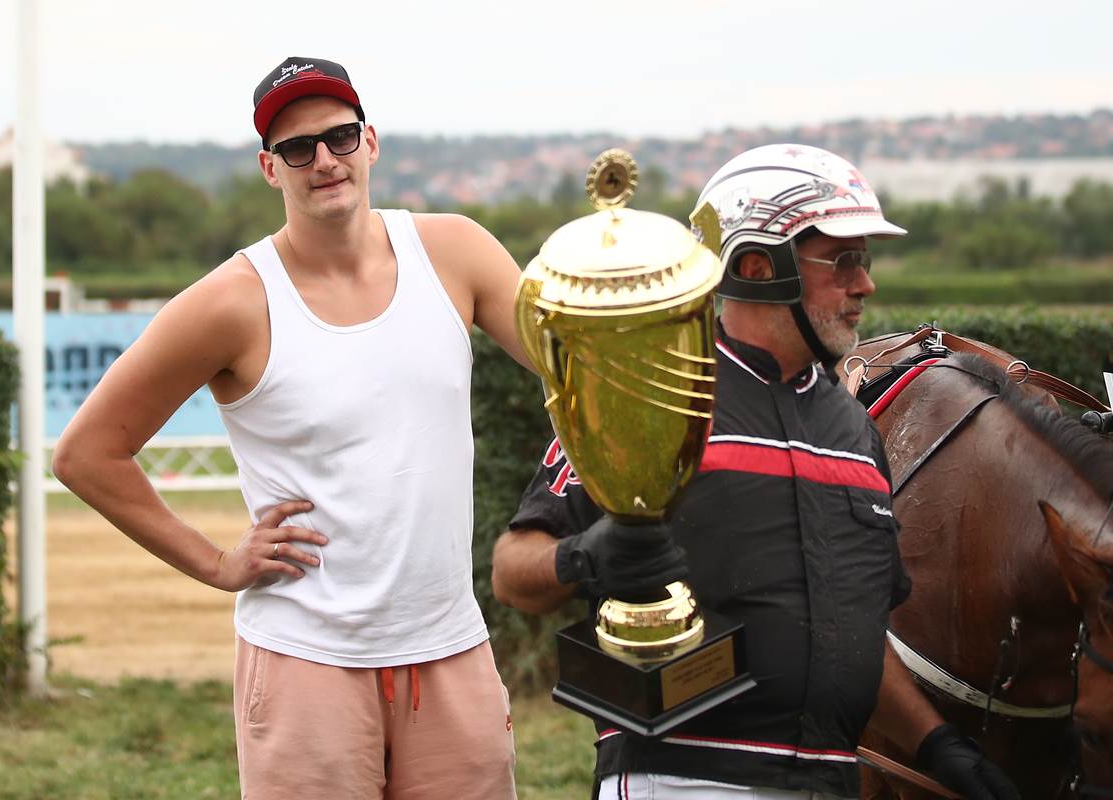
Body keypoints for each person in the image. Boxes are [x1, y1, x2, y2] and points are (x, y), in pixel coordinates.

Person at [53, 56, 527, 800]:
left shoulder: (455, 251)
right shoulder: (231, 301)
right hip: (306, 659)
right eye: (299, 148)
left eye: (339, 137)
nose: (325, 161)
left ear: (371, 141)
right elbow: (86, 454)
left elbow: (574, 370)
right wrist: (217, 563)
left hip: (450, 647)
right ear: (269, 168)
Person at [491, 144, 1019, 800]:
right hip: (683, 780)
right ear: (757, 265)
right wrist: (587, 557)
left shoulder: (856, 431)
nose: (865, 285)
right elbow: (512, 570)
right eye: (843, 261)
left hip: (831, 781)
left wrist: (937, 745)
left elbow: (852, 635)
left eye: (865, 261)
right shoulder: (651, 398)